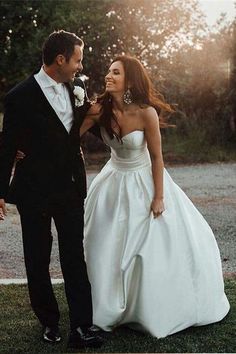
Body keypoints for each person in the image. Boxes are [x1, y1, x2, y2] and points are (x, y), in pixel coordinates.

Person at [80, 55, 230, 338]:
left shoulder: (146, 112)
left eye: (116, 73)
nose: (108, 76)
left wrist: (159, 196)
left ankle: (146, 306)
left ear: (130, 80)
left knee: (147, 246)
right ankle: (108, 304)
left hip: (143, 179)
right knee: (105, 242)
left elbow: (157, 157)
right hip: (112, 181)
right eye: (109, 72)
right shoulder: (99, 109)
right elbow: (67, 136)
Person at [0, 30, 103, 349]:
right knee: (37, 257)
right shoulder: (18, 96)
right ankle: (49, 322)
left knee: (75, 256)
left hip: (70, 187)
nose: (80, 66)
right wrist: (0, 190)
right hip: (34, 190)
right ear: (60, 59)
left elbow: (86, 127)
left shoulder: (79, 87)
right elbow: (7, 145)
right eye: (78, 60)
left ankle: (82, 327)